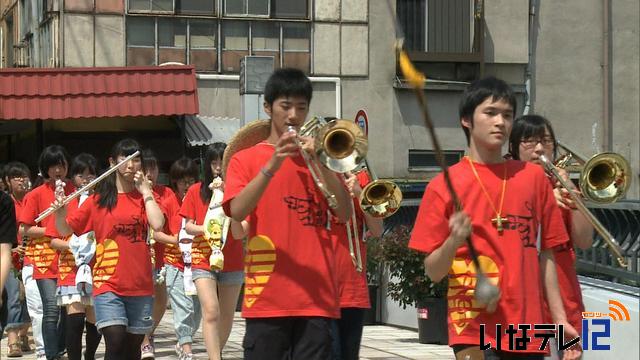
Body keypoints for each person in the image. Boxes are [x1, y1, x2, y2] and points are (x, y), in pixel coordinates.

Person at [408, 77, 581, 360]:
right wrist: (453, 240)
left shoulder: (533, 177)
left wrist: (560, 320)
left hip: (528, 324)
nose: (500, 122)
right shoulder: (442, 186)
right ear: (467, 119)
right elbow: (433, 271)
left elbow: (548, 254)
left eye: (507, 115)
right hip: (473, 325)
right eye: (490, 113)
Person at [222, 68, 352, 359]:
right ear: (268, 108)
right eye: (285, 106)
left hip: (318, 298)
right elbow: (237, 209)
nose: (293, 115)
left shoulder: (320, 159)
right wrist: (273, 164)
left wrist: (322, 161)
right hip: (267, 296)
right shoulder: (246, 159)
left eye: (301, 107)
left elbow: (343, 212)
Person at [53, 139, 165, 360]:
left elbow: (158, 224)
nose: (131, 165)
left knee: (132, 349)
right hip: (108, 282)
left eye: (136, 160)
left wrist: (146, 192)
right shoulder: (99, 199)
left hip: (140, 285)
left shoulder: (145, 197)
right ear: (113, 162)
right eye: (125, 159)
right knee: (115, 339)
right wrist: (60, 210)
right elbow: (65, 227)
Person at [508, 115, 593, 350]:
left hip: (566, 299)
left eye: (546, 141)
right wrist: (543, 199)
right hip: (523, 302)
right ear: (513, 147)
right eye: (529, 141)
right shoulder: (506, 183)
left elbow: (584, 240)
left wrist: (574, 197)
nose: (539, 148)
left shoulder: (561, 186)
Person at [180, 142, 246, 360]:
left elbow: (242, 226)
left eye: (222, 162)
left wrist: (229, 195)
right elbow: (188, 226)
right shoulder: (195, 191)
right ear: (207, 165)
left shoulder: (239, 192)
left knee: (227, 315)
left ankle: (215, 354)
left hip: (233, 258)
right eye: (214, 162)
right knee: (211, 310)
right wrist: (206, 228)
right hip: (203, 256)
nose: (218, 167)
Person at [19, 145, 75, 360]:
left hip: (70, 256)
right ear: (45, 169)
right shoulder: (35, 195)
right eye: (52, 166)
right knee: (51, 308)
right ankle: (52, 355)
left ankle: (60, 349)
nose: (58, 170)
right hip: (44, 258)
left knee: (68, 311)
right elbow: (24, 228)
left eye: (61, 165)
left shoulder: (75, 191)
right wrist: (52, 231)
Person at [49, 153, 102, 360]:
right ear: (73, 178)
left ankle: (89, 355)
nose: (86, 179)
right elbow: (53, 238)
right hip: (71, 266)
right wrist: (74, 245)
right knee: (75, 318)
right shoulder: (66, 202)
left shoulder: (102, 201)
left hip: (98, 265)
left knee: (94, 319)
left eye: (91, 175)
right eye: (81, 175)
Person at [331, 170, 384, 360]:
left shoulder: (361, 178)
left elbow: (377, 230)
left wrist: (359, 192)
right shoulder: (315, 173)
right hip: (320, 289)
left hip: (353, 288)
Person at [139, 149, 178, 359]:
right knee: (144, 299)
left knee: (161, 300)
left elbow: (173, 223)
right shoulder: (133, 193)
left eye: (152, 168)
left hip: (162, 256)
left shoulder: (167, 193)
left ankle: (148, 333)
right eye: (145, 168)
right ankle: (144, 341)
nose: (149, 173)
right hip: (138, 256)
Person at [2, 162, 35, 358]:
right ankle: (13, 341)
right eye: (16, 176)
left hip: (33, 256)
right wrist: (13, 247)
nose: (21, 179)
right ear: (7, 181)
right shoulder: (5, 202)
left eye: (23, 175)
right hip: (9, 256)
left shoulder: (33, 198)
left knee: (31, 300)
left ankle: (23, 334)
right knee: (14, 297)